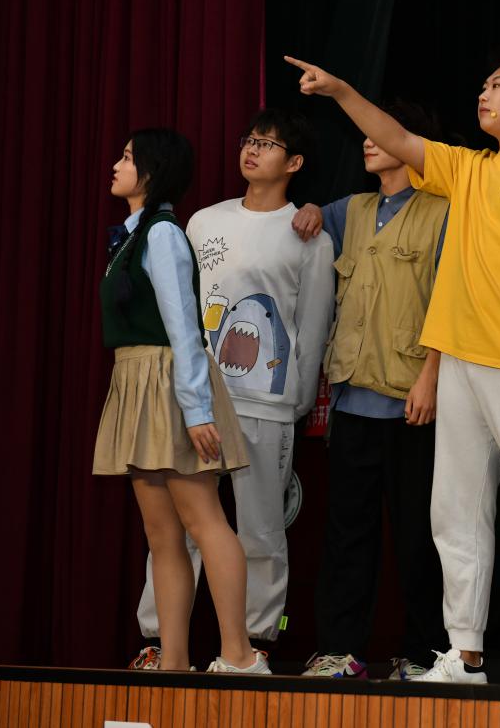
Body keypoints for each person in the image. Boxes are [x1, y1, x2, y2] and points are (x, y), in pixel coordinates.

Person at [285, 50, 500, 689]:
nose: (483, 93)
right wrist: (342, 91)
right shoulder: (468, 167)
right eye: (482, 84)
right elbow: (396, 137)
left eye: (497, 84)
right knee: (454, 512)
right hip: (460, 361)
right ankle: (465, 654)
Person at [129, 110, 335, 669]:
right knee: (182, 527)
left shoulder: (308, 237)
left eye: (268, 144)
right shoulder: (203, 221)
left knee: (261, 527)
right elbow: (179, 307)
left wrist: (294, 403)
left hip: (266, 400)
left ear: (294, 162)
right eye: (250, 140)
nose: (253, 150)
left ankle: (254, 644)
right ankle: (161, 642)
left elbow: (313, 327)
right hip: (197, 397)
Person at [94, 128, 267, 674]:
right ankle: (174, 662)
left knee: (204, 521)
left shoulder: (164, 234)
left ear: (151, 171)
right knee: (161, 533)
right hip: (136, 382)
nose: (117, 164)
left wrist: (195, 411)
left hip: (167, 380)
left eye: (128, 157)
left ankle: (240, 656)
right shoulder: (131, 236)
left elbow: (184, 328)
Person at [290, 101, 449, 682]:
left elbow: (450, 303)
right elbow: (309, 219)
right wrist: (310, 208)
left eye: (380, 133)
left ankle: (425, 653)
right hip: (352, 399)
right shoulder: (352, 209)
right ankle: (340, 650)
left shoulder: (443, 212)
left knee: (419, 537)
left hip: (413, 401)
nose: (367, 141)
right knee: (345, 536)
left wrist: (431, 378)